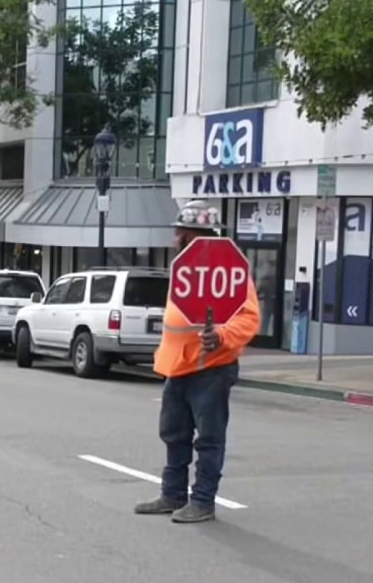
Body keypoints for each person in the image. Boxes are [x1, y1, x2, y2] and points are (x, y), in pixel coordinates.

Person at [134, 200, 261, 523]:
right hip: (178, 366)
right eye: (178, 232)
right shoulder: (186, 268)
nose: (176, 238)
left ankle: (202, 500)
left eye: (183, 233)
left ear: (200, 236)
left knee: (208, 438)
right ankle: (172, 494)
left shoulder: (230, 271)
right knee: (174, 434)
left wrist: (220, 336)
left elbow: (249, 319)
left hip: (210, 368)